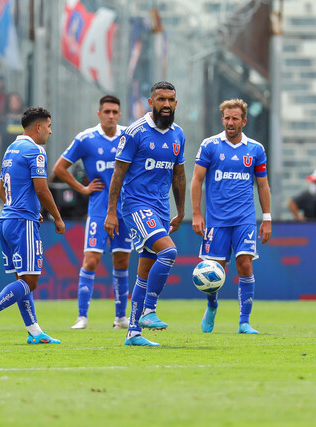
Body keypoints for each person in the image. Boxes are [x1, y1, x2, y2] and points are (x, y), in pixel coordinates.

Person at [0, 107, 65, 345]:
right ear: (38, 127)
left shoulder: (10, 149)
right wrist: (57, 217)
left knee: (23, 279)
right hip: (22, 223)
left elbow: (2, 191)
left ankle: (34, 331)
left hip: (7, 220)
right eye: (49, 126)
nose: (51, 132)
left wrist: (26, 209)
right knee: (30, 281)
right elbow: (42, 189)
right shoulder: (36, 151)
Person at [104, 81, 186, 347]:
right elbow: (118, 172)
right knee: (169, 252)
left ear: (176, 103)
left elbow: (179, 175)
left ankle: (133, 333)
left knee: (144, 271)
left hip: (162, 208)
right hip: (136, 205)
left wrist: (181, 210)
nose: (166, 104)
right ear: (150, 102)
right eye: (161, 99)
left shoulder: (178, 135)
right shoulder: (135, 132)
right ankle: (150, 309)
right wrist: (111, 212)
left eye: (171, 100)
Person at [191, 98, 272, 334]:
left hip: (245, 218)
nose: (230, 122)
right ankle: (212, 306)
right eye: (226, 117)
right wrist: (197, 213)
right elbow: (196, 180)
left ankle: (244, 321)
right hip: (216, 220)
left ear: (244, 121)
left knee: (245, 264)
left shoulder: (255, 149)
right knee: (215, 271)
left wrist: (266, 218)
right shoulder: (210, 145)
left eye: (235, 118)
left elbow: (263, 185)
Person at [53, 95, 131, 330]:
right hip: (98, 209)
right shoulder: (86, 139)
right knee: (91, 260)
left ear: (119, 114)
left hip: (125, 209)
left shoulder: (129, 136)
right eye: (106, 111)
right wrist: (82, 189)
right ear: (99, 114)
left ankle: (120, 318)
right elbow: (59, 168)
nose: (110, 116)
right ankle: (82, 317)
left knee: (122, 260)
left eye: (115, 112)